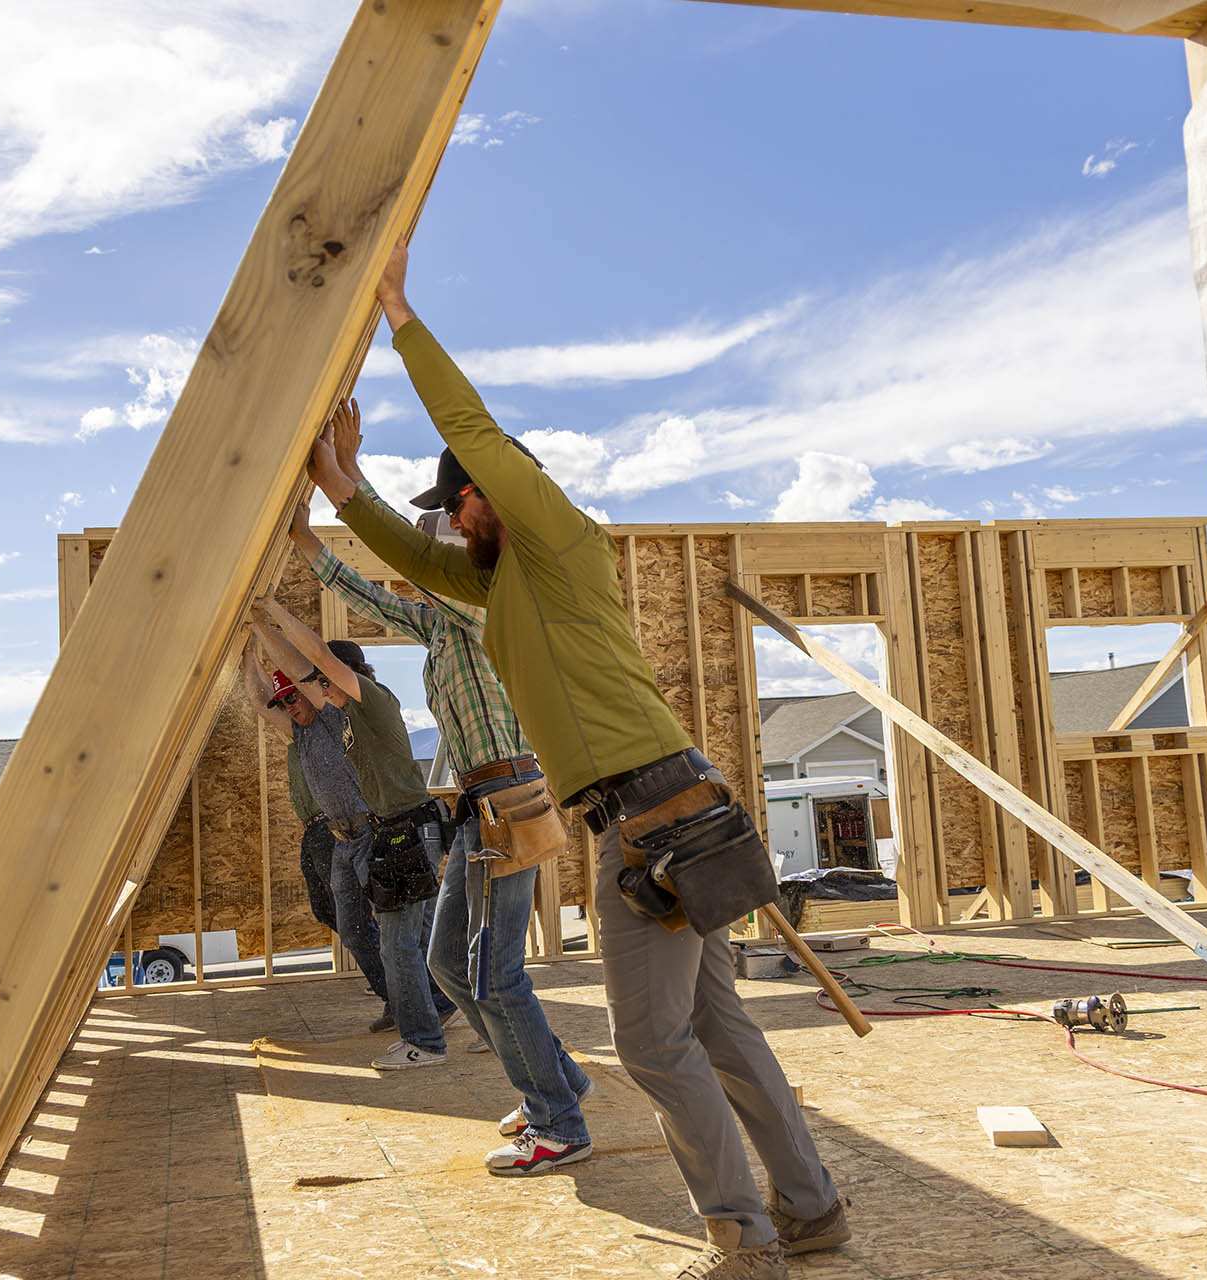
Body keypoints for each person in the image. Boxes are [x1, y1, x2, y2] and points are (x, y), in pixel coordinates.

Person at [313, 242, 850, 1279]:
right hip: (672, 805)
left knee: (653, 1045)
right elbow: (414, 557)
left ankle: (744, 1235)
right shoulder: (510, 582)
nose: (451, 520)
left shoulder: (558, 538)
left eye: (458, 502)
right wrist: (342, 482)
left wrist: (399, 314)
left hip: (652, 820)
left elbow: (471, 433)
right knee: (716, 1026)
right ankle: (813, 1215)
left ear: (490, 494)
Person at [296, 409, 594, 1177]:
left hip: (507, 801)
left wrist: (346, 480)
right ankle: (558, 1080)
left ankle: (557, 1120)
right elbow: (378, 595)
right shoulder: (448, 620)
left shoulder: (491, 596)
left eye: (450, 520)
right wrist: (304, 537)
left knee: (496, 973)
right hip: (476, 809)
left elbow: (410, 563)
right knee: (450, 967)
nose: (442, 533)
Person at [246, 596, 458, 1069]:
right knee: (413, 942)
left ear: (344, 676)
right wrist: (258, 636)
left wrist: (268, 619)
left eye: (325, 681)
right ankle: (440, 1020)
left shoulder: (366, 703)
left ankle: (427, 1037)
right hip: (390, 833)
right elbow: (292, 684)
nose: (318, 688)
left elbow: (315, 661)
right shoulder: (344, 719)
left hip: (409, 830)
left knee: (406, 943)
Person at [285, 732, 398, 1034]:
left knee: (360, 923)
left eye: (290, 700)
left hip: (330, 827)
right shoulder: (297, 736)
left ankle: (402, 996)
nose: (287, 708)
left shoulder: (317, 727)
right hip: (314, 831)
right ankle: (394, 986)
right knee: (326, 911)